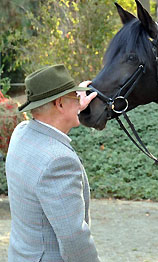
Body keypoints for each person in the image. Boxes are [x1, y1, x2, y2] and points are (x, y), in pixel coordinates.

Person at [5, 64, 100, 262]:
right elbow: (74, 240)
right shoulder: (58, 161)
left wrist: (73, 107)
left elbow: (52, 126)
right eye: (75, 96)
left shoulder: (21, 133)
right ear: (60, 104)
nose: (79, 101)